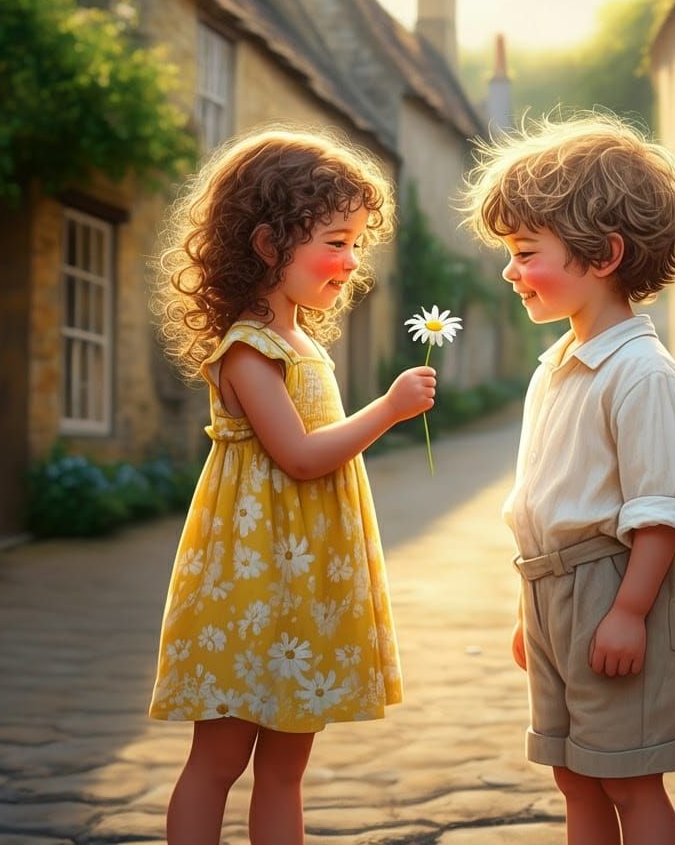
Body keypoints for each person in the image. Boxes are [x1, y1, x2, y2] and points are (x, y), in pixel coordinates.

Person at [149, 128, 436, 845]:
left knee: (286, 767)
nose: (349, 262)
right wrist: (390, 409)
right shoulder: (251, 347)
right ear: (270, 244)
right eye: (336, 240)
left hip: (300, 580)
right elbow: (301, 457)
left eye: (357, 244)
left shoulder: (301, 339)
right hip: (249, 587)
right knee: (218, 759)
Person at [461, 114, 675, 845]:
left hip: (613, 588)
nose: (509, 270)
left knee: (628, 776)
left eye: (525, 251)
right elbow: (546, 503)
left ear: (604, 255)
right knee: (573, 771)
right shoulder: (558, 367)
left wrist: (629, 611)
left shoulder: (643, 375)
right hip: (551, 595)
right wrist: (528, 606)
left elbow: (659, 511)